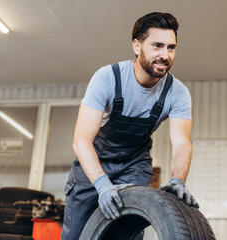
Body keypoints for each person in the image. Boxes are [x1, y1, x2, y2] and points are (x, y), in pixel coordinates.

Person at [61, 12, 198, 240]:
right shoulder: (107, 78)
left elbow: (182, 142)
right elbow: (81, 140)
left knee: (126, 233)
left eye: (171, 47)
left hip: (134, 164)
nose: (165, 55)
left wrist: (178, 180)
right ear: (137, 46)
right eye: (157, 46)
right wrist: (102, 184)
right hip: (95, 160)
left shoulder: (178, 93)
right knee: (76, 235)